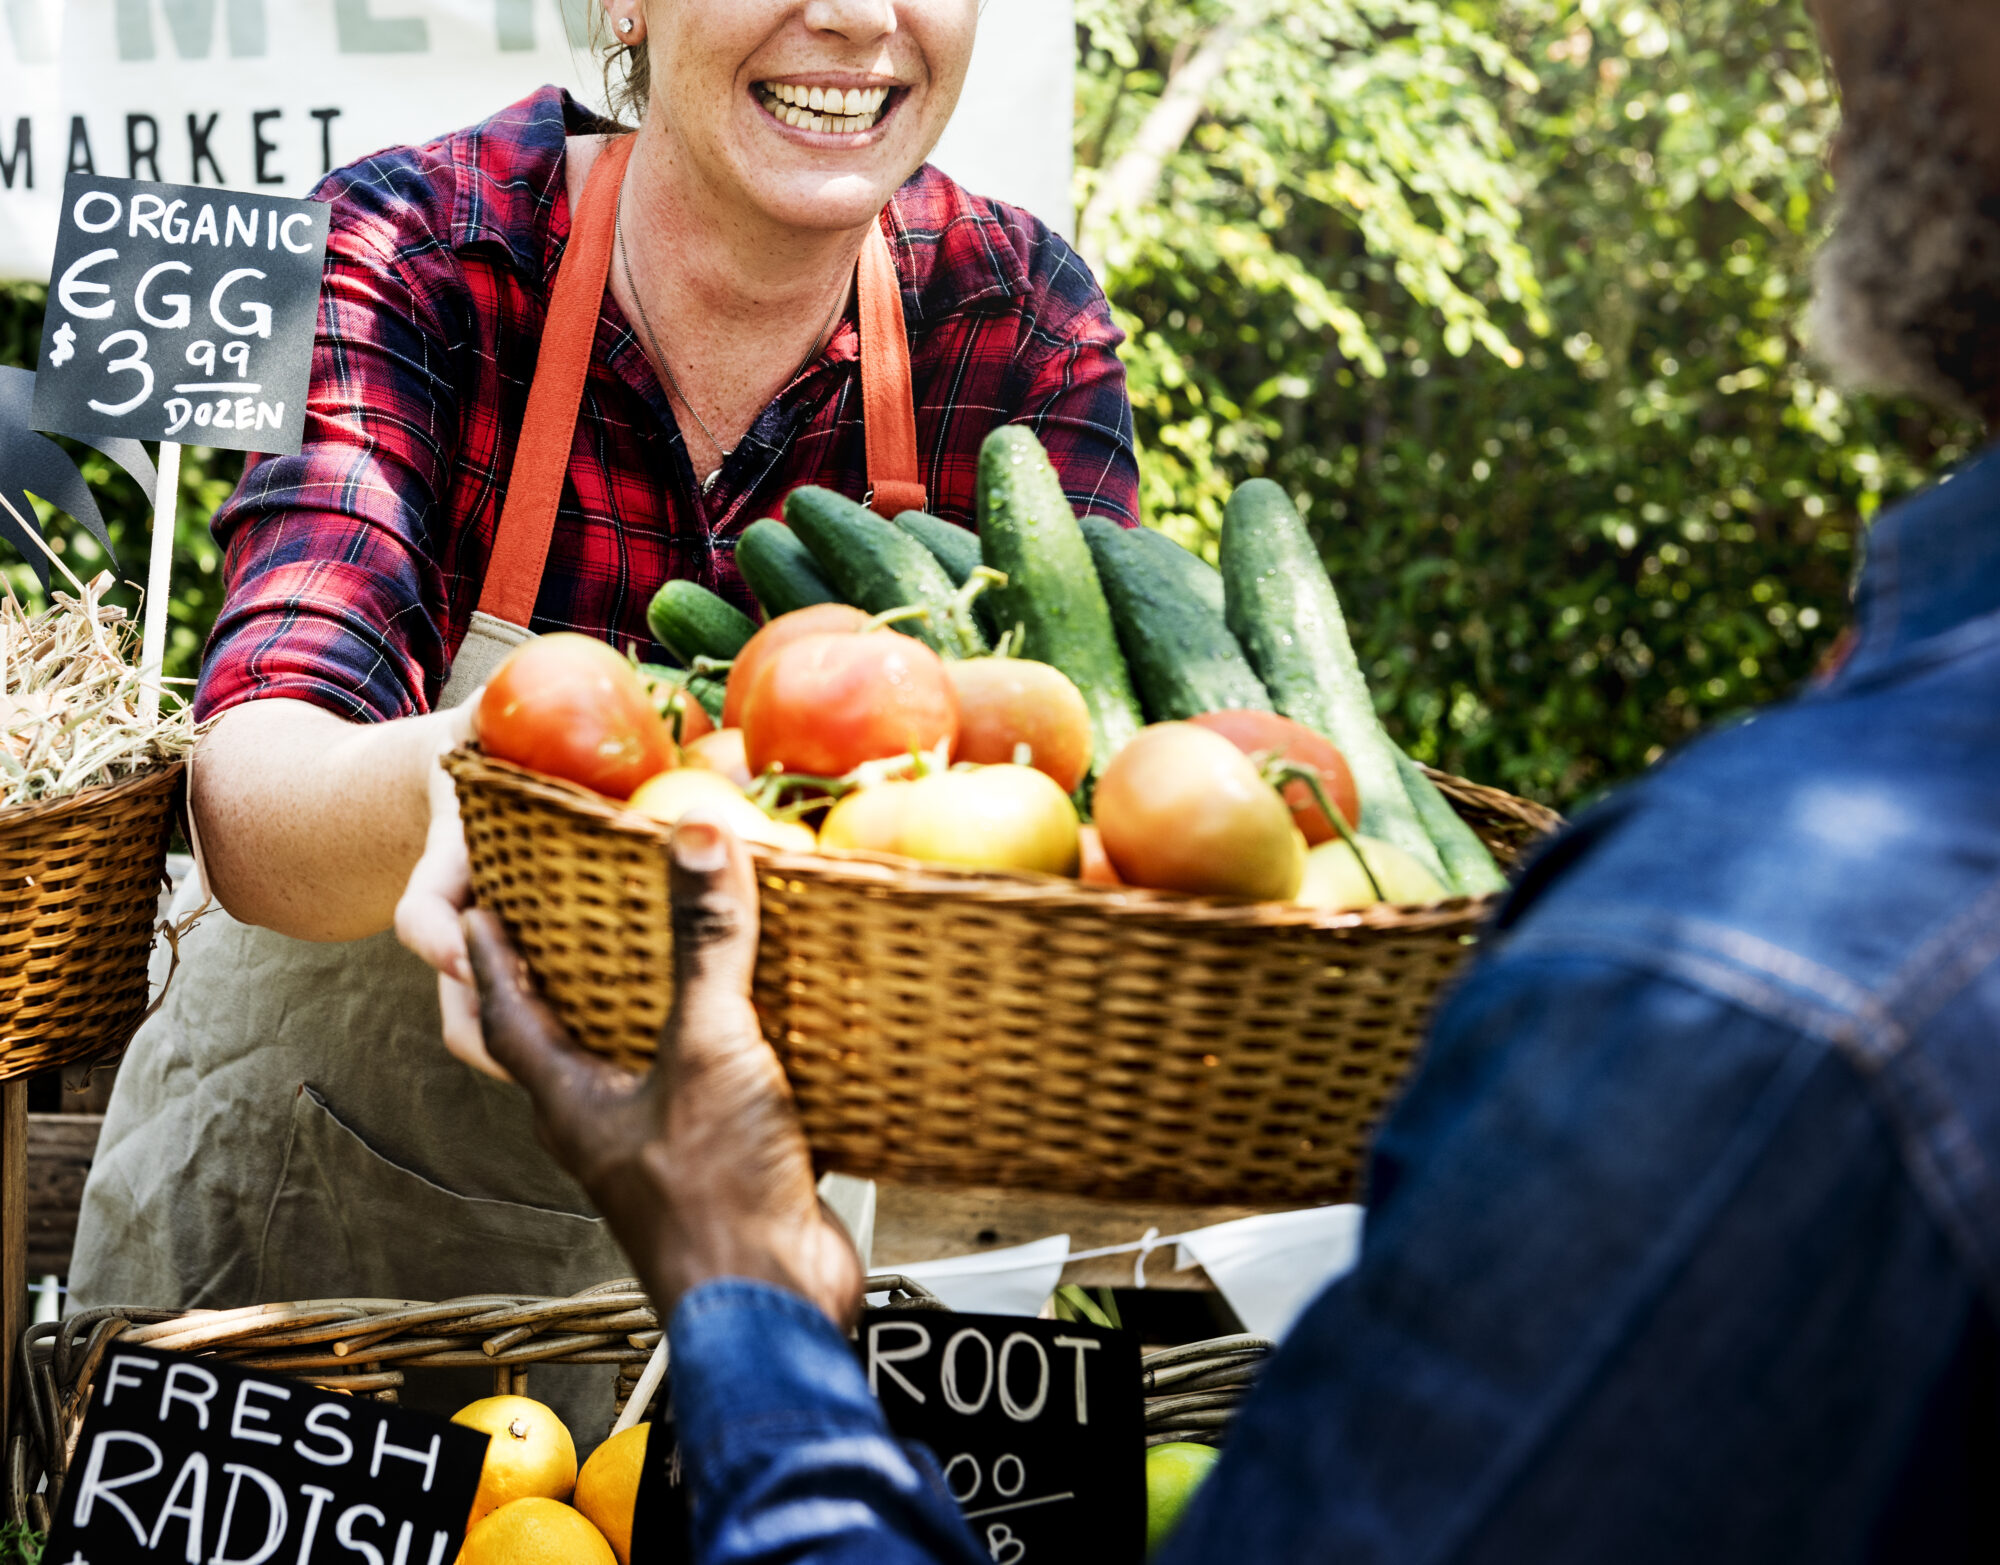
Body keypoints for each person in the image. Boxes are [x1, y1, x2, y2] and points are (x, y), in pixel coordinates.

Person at [468, 0, 2000, 1554]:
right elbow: (267, 751)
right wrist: (551, 766)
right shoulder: (440, 229)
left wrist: (746, 1287)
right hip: (423, 1237)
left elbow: (1091, 835)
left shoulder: (1769, 970)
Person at [69, 0, 1136, 1435]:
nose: (859, 17)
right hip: (322, 1310)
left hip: (767, 1323)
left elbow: (1084, 825)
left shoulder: (1018, 318)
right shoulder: (410, 242)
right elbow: (257, 797)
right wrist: (502, 774)